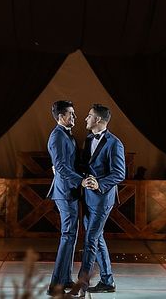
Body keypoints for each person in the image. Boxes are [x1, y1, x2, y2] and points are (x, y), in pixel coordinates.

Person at [75, 104, 126, 295]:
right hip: (88, 197)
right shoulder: (89, 139)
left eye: (88, 116)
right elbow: (85, 165)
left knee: (90, 240)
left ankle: (82, 284)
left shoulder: (115, 143)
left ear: (97, 119)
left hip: (103, 198)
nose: (85, 119)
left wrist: (99, 184)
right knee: (98, 238)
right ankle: (108, 281)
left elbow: (119, 173)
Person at [46, 100, 82, 296]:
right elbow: (60, 166)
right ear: (61, 116)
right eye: (71, 114)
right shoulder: (57, 136)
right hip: (65, 191)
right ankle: (55, 284)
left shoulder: (66, 134)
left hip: (70, 191)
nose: (74, 117)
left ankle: (66, 278)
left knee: (71, 235)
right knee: (67, 235)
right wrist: (81, 181)